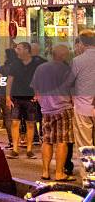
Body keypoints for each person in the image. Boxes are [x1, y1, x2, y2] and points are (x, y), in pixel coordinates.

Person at [31, 44, 75, 181]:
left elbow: (35, 89)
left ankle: (45, 172)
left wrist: (42, 102)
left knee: (47, 141)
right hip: (63, 108)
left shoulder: (41, 68)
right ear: (64, 56)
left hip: (46, 109)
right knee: (62, 141)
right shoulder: (67, 69)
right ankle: (59, 173)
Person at [6, 42, 45, 159]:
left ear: (26, 50)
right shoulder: (15, 64)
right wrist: (8, 96)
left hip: (30, 98)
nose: (16, 50)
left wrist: (38, 94)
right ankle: (15, 149)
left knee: (31, 124)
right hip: (16, 97)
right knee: (15, 122)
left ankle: (29, 149)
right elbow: (10, 80)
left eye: (19, 48)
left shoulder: (36, 64)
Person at [66, 29, 95, 180]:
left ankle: (90, 179)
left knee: (86, 145)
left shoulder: (77, 61)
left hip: (83, 107)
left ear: (82, 44)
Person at [0, 48, 18, 149]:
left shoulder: (2, 68)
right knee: (17, 118)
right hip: (17, 93)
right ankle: (19, 140)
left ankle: (12, 141)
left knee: (7, 117)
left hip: (4, 93)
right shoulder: (18, 67)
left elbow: (0, 81)